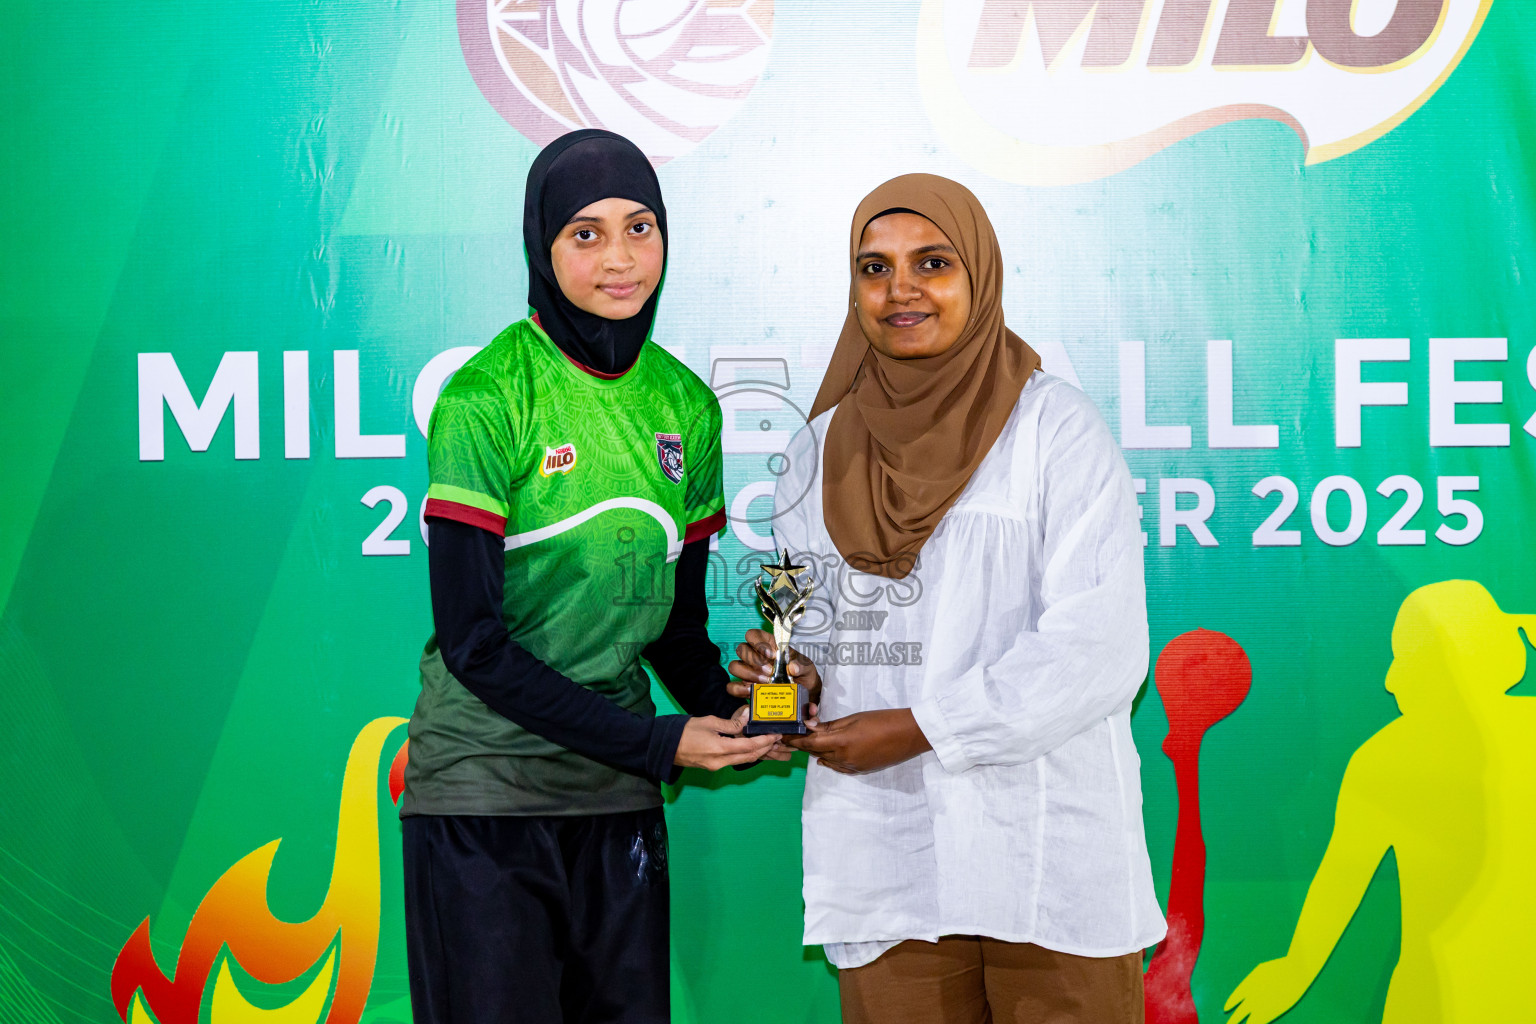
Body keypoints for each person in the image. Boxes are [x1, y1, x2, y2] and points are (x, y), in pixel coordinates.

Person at [729, 174, 1165, 1023]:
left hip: (1045, 857)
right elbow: (808, 631)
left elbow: (1100, 650)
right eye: (874, 267)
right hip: (890, 862)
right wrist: (790, 682)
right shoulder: (816, 449)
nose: (902, 291)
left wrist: (923, 728)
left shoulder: (1055, 431)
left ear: (980, 275)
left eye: (932, 262)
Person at [399, 128, 777, 1024]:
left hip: (617, 803)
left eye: (640, 227)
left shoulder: (686, 406)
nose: (620, 258)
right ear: (542, 243)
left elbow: (676, 635)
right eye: (586, 232)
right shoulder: (487, 398)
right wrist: (658, 744)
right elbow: (473, 646)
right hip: (483, 802)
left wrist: (743, 703)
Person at [1225, 580, 1536, 1023]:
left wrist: (1295, 970)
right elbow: (1340, 881)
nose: (1390, 680)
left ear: (1441, 665)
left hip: (1432, 1001)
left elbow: (1341, 881)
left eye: (1405, 658)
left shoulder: (1384, 758)